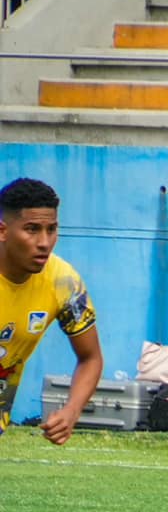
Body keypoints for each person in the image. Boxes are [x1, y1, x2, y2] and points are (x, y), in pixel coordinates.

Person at [0, 178, 104, 444]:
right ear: (3, 231)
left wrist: (72, 410)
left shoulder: (64, 282)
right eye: (32, 229)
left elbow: (90, 357)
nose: (44, 242)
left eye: (52, 229)